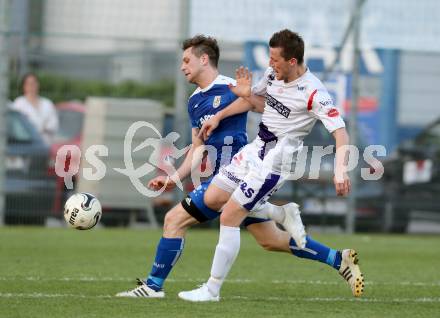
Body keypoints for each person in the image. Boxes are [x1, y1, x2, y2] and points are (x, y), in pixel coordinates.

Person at [178, 29, 364, 302]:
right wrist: (218, 116)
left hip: (276, 161)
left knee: (230, 215)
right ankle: (282, 214)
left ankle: (212, 289)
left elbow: (341, 133)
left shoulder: (314, 92)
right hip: (256, 149)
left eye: (275, 59)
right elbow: (254, 102)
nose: (269, 64)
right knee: (214, 197)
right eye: (269, 57)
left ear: (292, 61)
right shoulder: (272, 75)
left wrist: (340, 171)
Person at [116, 34, 307, 299]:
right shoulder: (194, 101)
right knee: (271, 240)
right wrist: (174, 177)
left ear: (204, 59)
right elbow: (197, 147)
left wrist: (237, 103)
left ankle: (154, 286)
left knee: (174, 219)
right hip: (221, 178)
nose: (182, 66)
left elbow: (265, 108)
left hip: (241, 173)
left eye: (186, 60)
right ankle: (337, 258)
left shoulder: (230, 87)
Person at [11, 73, 59, 145]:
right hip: (26, 145)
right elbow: (16, 126)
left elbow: (53, 125)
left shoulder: (47, 104)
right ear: (24, 86)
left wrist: (35, 127)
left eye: (33, 83)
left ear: (38, 85)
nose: (31, 86)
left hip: (46, 146)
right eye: (29, 84)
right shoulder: (18, 104)